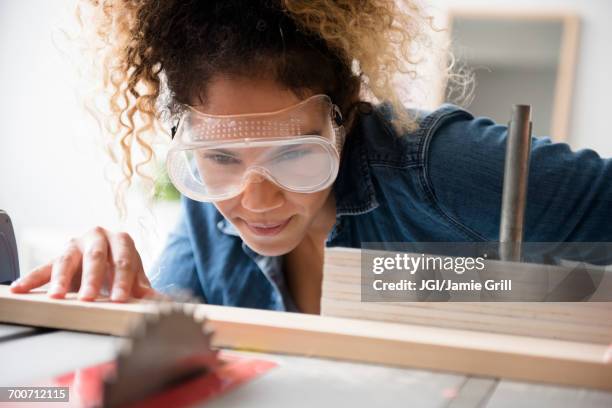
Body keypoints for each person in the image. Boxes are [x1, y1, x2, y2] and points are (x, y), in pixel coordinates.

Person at [10, 0, 612, 313]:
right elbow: (180, 323)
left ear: (344, 121)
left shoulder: (436, 167)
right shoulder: (209, 216)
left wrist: (533, 302)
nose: (255, 200)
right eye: (220, 158)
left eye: (295, 155)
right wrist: (116, 292)